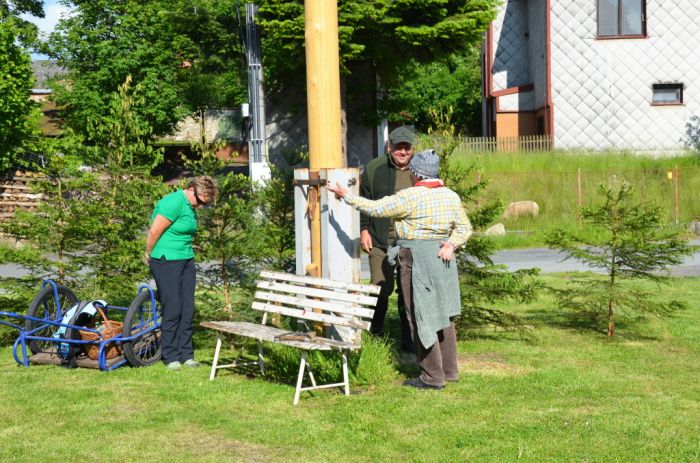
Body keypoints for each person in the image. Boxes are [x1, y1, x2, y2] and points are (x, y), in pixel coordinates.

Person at [327, 150, 472, 389]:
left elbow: (376, 208)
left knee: (420, 316)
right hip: (443, 260)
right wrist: (451, 244)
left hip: (416, 259)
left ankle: (432, 376)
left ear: (416, 173)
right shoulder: (450, 196)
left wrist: (345, 195)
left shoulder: (411, 196)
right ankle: (449, 370)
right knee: (444, 313)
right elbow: (465, 228)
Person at [144, 176, 218, 371]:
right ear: (192, 190)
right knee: (173, 306)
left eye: (205, 204)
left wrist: (187, 245)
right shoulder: (173, 202)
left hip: (185, 258)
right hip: (166, 260)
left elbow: (179, 231)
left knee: (187, 308)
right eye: (201, 201)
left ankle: (187, 354)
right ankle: (170, 356)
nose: (201, 206)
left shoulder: (190, 206)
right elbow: (154, 232)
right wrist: (148, 253)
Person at [359, 125, 416, 354]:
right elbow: (365, 201)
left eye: (407, 147)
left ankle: (409, 341)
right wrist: (364, 230)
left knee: (408, 291)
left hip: (410, 242)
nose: (403, 152)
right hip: (380, 240)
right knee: (379, 289)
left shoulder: (420, 170)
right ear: (389, 147)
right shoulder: (374, 168)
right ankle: (375, 335)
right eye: (398, 148)